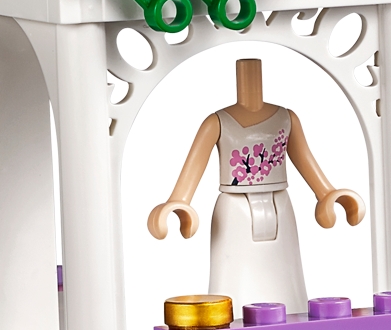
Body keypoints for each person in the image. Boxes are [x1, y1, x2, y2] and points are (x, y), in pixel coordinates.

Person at [146, 57, 361, 315]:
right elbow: (195, 163)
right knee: (231, 278)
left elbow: (305, 158)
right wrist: (179, 201)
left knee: (288, 274)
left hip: (280, 203)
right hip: (233, 206)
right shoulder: (217, 122)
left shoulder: (286, 119)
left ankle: (293, 327)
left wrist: (327, 193)